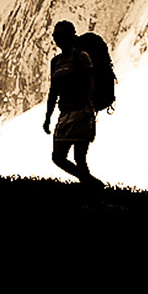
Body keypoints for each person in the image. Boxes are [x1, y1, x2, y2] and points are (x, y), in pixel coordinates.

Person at [43, 20, 101, 187]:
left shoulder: (81, 57)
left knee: (78, 158)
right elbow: (53, 91)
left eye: (58, 35)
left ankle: (91, 189)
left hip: (81, 112)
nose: (55, 38)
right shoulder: (56, 61)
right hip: (66, 113)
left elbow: (90, 84)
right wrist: (48, 117)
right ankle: (92, 184)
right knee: (60, 157)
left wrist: (87, 110)